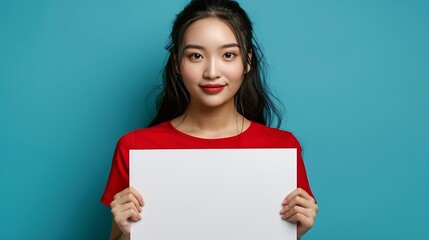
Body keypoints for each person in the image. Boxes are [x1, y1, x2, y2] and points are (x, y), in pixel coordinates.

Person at [101, 0, 318, 239]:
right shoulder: (134, 147)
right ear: (177, 62)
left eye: (228, 54)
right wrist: (128, 233)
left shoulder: (282, 147)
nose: (212, 72)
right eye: (196, 55)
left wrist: (294, 232)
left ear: (247, 61)